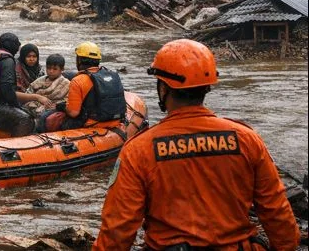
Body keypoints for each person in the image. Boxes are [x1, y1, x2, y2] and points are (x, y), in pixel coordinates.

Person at [94, 39, 300, 250]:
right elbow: (277, 212)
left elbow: (117, 231)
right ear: (207, 87)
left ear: (163, 89)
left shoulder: (138, 150)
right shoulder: (247, 139)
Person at [54, 42, 125, 131]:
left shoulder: (78, 80)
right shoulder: (112, 75)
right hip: (115, 122)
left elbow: (73, 113)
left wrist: (63, 107)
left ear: (79, 60)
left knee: (51, 119)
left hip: (93, 125)